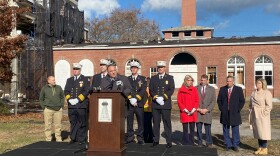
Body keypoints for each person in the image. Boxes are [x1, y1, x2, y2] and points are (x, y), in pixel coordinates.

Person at [149, 61, 175, 148]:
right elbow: (151, 90)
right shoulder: (153, 78)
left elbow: (171, 89)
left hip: (166, 104)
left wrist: (163, 97)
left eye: (162, 67)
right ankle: (156, 140)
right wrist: (156, 97)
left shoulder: (170, 78)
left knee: (167, 123)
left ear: (165, 68)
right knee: (156, 123)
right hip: (156, 104)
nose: (160, 68)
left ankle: (169, 141)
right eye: (159, 67)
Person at [64, 63, 91, 145]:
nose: (75, 71)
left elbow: (86, 91)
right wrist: (69, 99)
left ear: (80, 70)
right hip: (72, 105)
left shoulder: (85, 79)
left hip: (81, 105)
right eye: (74, 69)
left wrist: (78, 99)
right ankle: (73, 138)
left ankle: (82, 139)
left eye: (77, 69)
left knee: (82, 122)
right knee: (73, 122)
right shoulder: (69, 80)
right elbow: (66, 91)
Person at [217, 75, 245, 152]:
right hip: (225, 112)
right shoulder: (222, 89)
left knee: (235, 129)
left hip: (235, 113)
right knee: (226, 129)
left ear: (233, 82)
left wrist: (238, 109)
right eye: (227, 81)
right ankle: (228, 144)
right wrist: (222, 109)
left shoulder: (238, 89)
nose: (228, 83)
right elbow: (219, 100)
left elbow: (242, 101)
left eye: (230, 81)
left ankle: (235, 144)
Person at [126, 61, 147, 145]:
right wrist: (131, 99)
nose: (133, 69)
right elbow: (126, 89)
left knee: (140, 121)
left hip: (139, 104)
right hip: (130, 104)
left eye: (135, 68)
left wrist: (136, 99)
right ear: (130, 69)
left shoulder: (142, 79)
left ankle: (140, 138)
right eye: (132, 68)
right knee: (129, 121)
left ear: (138, 69)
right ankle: (130, 137)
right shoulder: (127, 79)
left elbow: (143, 90)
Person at [249, 78, 273, 155]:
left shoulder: (267, 93)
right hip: (255, 114)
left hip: (262, 115)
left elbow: (269, 106)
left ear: (263, 84)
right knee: (257, 131)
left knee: (263, 132)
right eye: (257, 83)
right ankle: (260, 147)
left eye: (259, 83)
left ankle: (264, 148)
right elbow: (250, 103)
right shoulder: (253, 93)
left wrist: (264, 113)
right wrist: (251, 110)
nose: (257, 84)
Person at [39, 76, 65, 142]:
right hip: (48, 109)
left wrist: (61, 105)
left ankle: (58, 138)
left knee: (58, 125)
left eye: (54, 80)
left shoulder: (59, 87)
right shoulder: (44, 88)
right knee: (47, 125)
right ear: (48, 81)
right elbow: (41, 98)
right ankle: (48, 139)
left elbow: (62, 97)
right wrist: (44, 107)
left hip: (58, 110)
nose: (54, 81)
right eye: (53, 80)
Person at [177, 75, 199, 146]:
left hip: (192, 111)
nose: (190, 82)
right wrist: (185, 109)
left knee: (192, 129)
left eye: (191, 80)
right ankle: (185, 142)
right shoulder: (181, 90)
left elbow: (197, 100)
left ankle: (191, 142)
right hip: (185, 112)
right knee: (185, 129)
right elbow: (179, 101)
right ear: (185, 81)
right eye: (188, 80)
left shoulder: (194, 89)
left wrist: (194, 109)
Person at [196, 74, 216, 147]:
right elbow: (194, 100)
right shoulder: (196, 88)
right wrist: (198, 109)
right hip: (198, 112)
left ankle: (208, 142)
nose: (203, 81)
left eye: (204, 80)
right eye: (202, 80)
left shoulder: (212, 89)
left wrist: (207, 109)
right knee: (199, 129)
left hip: (207, 112)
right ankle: (199, 142)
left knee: (208, 129)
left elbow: (213, 101)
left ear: (207, 81)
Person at [143, 77, 153, 143]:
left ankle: (149, 138)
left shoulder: (150, 89)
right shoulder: (144, 89)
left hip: (150, 109)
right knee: (147, 124)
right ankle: (147, 138)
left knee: (148, 124)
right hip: (144, 109)